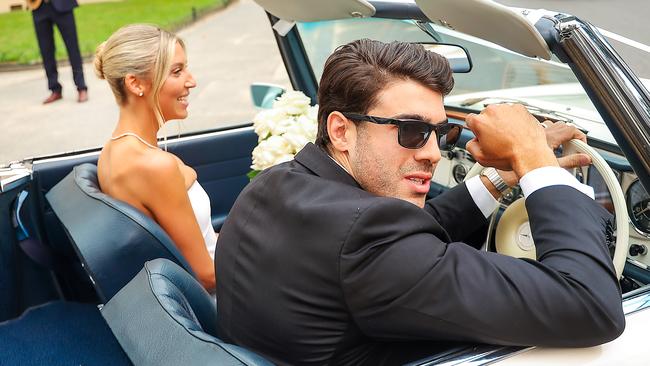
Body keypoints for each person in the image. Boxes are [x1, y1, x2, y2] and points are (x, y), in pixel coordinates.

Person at [215, 39, 625, 365]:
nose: (432, 153)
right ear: (340, 130)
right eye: (410, 130)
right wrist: (535, 159)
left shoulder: (274, 185)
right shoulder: (367, 240)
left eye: (440, 133)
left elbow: (406, 235)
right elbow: (588, 306)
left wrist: (504, 178)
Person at [94, 24, 216, 292]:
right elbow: (206, 275)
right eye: (176, 71)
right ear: (135, 83)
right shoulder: (153, 166)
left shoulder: (112, 152)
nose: (191, 81)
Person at [30, 0, 88, 104]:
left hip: (62, 4)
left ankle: (81, 87)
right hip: (38, 6)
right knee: (46, 51)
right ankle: (55, 89)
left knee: (72, 48)